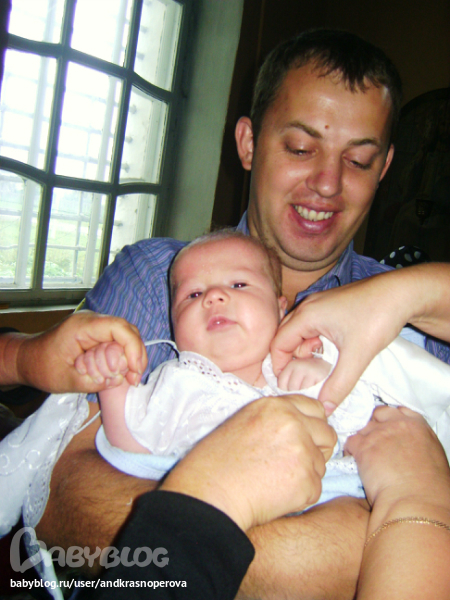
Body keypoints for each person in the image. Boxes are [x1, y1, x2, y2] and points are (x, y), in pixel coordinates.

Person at [34, 29, 450, 599]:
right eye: (300, 148)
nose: (327, 184)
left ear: (384, 167)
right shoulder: (154, 274)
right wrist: (330, 550)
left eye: (357, 160)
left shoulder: (420, 315)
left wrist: (411, 293)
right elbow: (60, 499)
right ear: (249, 143)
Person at [77, 231, 449, 502]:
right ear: (172, 324)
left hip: (326, 500)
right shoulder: (177, 381)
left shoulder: (307, 363)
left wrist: (323, 378)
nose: (214, 296)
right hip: (212, 513)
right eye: (193, 294)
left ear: (281, 308)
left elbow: (370, 428)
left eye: (239, 284)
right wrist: (113, 383)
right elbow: (131, 445)